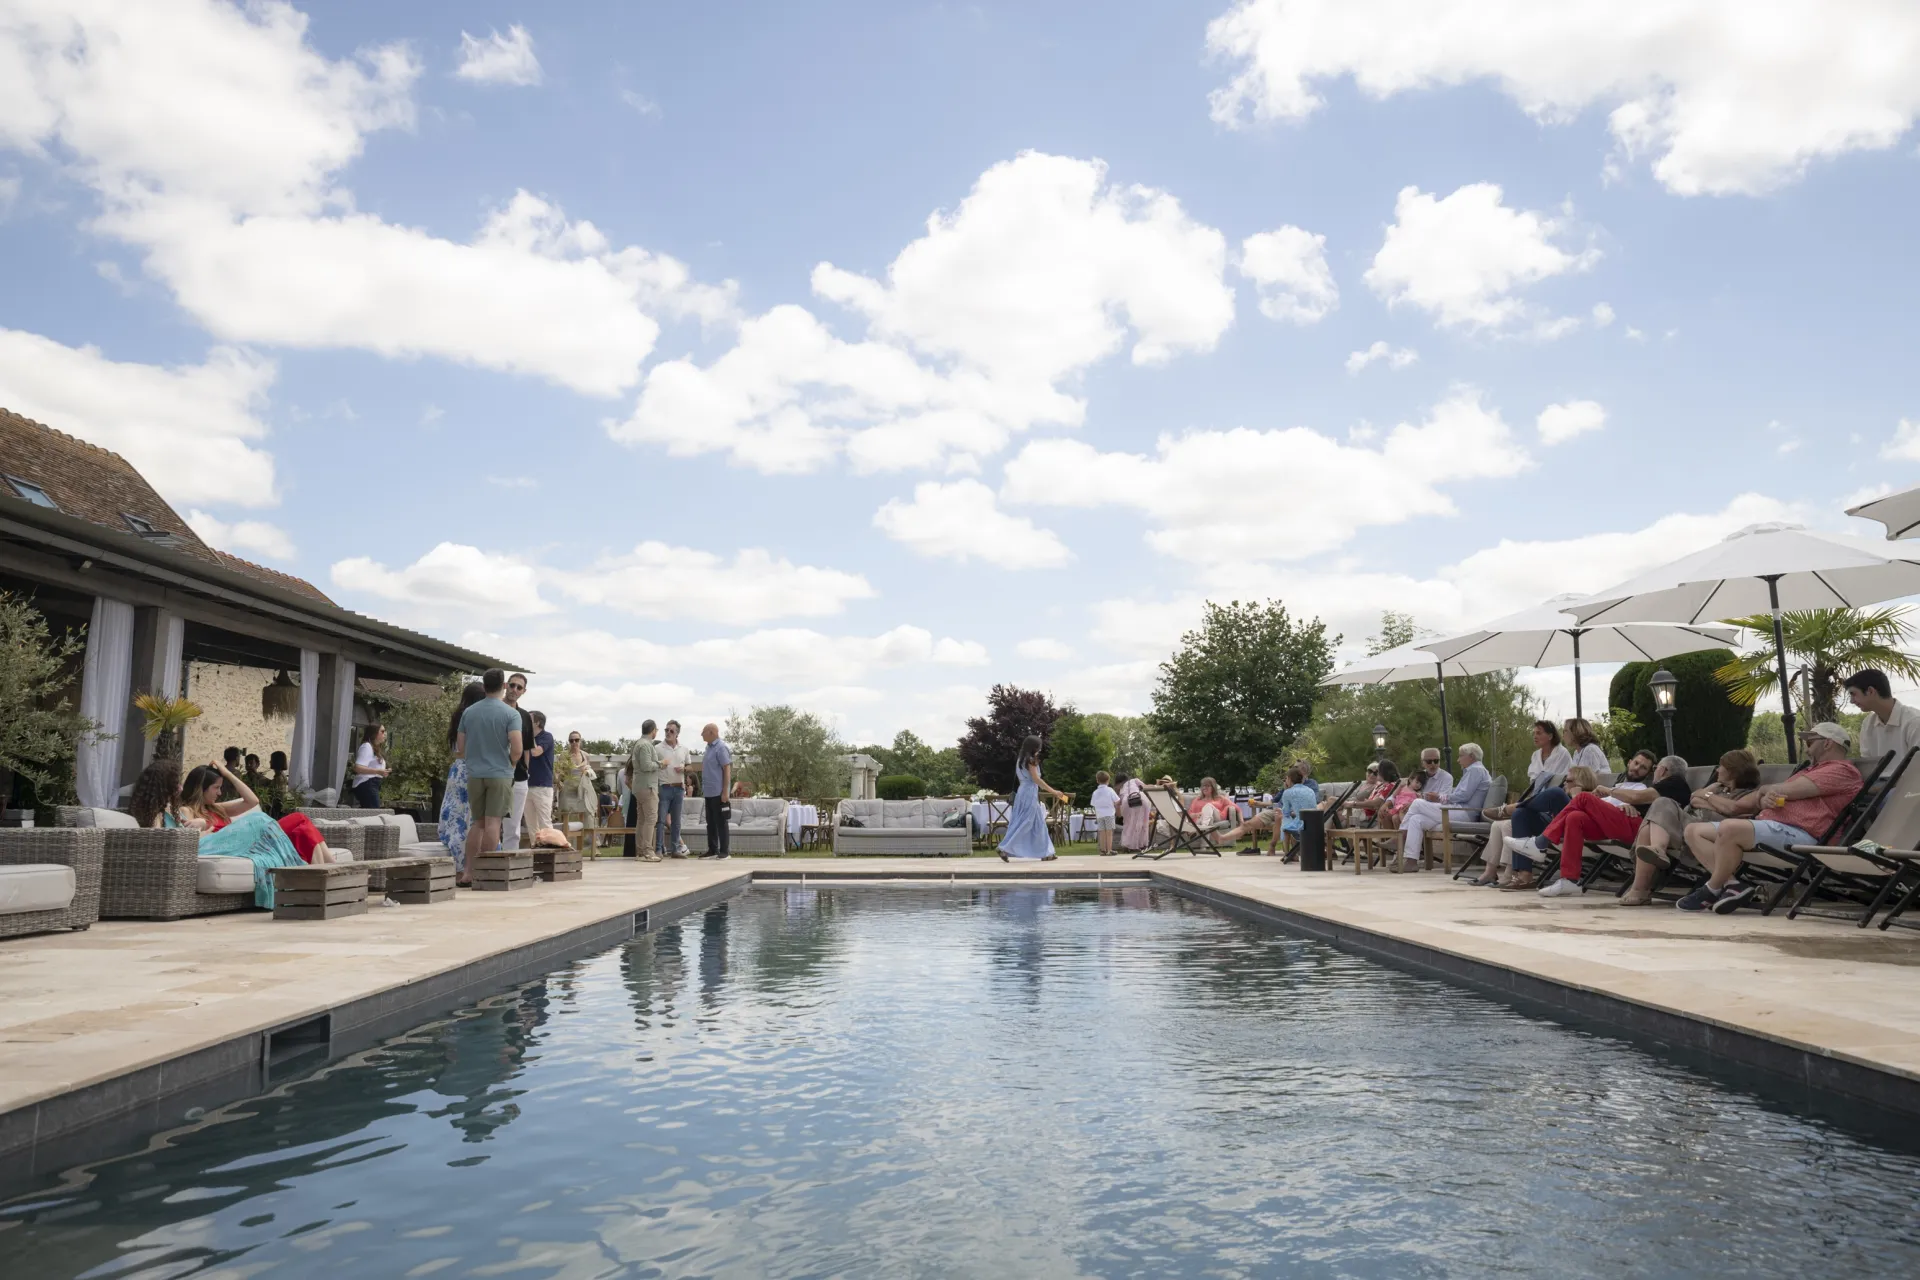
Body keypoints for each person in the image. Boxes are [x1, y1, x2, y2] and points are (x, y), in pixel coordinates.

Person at [1678, 722, 1863, 914]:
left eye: (1809, 742)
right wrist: (1763, 798)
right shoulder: (1809, 771)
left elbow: (1788, 790)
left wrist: (1765, 791)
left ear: (1827, 743)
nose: (1806, 749)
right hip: (1772, 828)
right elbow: (1752, 801)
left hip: (1801, 834)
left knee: (1729, 828)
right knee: (1693, 831)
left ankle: (1712, 888)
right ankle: (1732, 885)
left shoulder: (1842, 771)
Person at [130, 758, 314, 909]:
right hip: (201, 846)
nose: (180, 788)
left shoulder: (176, 810)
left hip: (205, 843)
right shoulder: (161, 815)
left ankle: (300, 875)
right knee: (258, 819)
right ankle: (299, 876)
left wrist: (226, 774)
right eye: (176, 784)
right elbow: (164, 846)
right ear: (164, 787)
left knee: (262, 821)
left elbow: (252, 801)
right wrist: (200, 831)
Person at [1528, 751, 1689, 899]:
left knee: (1584, 798)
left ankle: (1541, 843)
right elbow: (1637, 800)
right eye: (1637, 763)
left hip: (1637, 828)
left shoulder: (1673, 783)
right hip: (1622, 823)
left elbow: (1637, 797)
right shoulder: (1654, 787)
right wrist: (1623, 804)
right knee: (1575, 818)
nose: (1653, 771)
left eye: (1654, 768)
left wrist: (1611, 793)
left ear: (1663, 770)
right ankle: (1569, 880)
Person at [1619, 750, 1760, 906]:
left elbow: (1733, 809)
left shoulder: (1749, 794)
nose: (1718, 770)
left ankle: (1642, 886)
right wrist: (1715, 803)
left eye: (1722, 767)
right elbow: (1694, 799)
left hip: (1710, 834)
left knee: (1661, 805)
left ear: (1733, 771)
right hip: (1690, 828)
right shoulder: (1717, 787)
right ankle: (1651, 863)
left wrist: (1708, 797)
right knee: (1652, 819)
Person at [1468, 721, 1574, 885]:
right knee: (1504, 821)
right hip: (1537, 804)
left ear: (1550, 735)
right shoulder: (1536, 755)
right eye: (1534, 733)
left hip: (1553, 809)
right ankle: (1494, 871)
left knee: (1509, 823)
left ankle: (1509, 873)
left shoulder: (1563, 754)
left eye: (1539, 733)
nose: (1535, 736)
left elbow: (1556, 783)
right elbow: (1535, 783)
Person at [457, 669, 524, 877]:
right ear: (504, 685)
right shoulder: (511, 714)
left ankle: (468, 872)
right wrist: (511, 764)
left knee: (477, 823)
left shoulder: (469, 712)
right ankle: (485, 873)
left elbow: (461, 747)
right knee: (493, 823)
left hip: (475, 774)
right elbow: (517, 749)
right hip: (500, 773)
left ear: (484, 685)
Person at [1397, 743, 1491, 871]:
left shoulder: (1476, 770)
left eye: (1461, 756)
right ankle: (1411, 861)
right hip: (1457, 810)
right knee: (1416, 819)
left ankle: (1400, 837)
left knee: (1417, 803)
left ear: (1471, 757)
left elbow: (1463, 795)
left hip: (1464, 813)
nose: (1458, 760)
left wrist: (1439, 797)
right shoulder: (1474, 770)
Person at [438, 682, 486, 881]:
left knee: (456, 817)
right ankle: (470, 868)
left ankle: (458, 868)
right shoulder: (475, 718)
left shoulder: (457, 716)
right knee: (472, 819)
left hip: (457, 771)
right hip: (473, 770)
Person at [999, 734, 1064, 861]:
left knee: (1037, 823)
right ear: (1034, 747)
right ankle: (1005, 848)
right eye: (1039, 747)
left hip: (1023, 792)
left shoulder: (1020, 760)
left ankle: (1046, 853)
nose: (1040, 749)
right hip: (1029, 792)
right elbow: (1036, 779)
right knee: (1026, 822)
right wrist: (1054, 791)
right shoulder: (1031, 760)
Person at [1846, 668, 1920, 762]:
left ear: (1870, 691)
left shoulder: (1914, 722)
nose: (1851, 701)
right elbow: (1867, 764)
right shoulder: (1868, 724)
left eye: (1853, 694)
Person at [503, 673, 535, 850]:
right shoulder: (494, 710)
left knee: (513, 827)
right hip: (494, 773)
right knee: (489, 823)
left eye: (519, 687)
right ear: (505, 685)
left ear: (524, 691)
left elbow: (527, 748)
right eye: (512, 685)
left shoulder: (524, 716)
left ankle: (509, 861)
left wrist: (526, 771)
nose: (514, 689)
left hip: (519, 776)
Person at [628, 720, 665, 861]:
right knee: (651, 818)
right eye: (656, 730)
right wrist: (661, 764)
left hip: (640, 786)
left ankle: (640, 851)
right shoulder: (645, 745)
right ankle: (648, 851)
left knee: (642, 819)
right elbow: (646, 765)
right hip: (647, 786)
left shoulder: (640, 743)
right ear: (653, 730)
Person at [556, 731, 600, 843]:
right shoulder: (564, 755)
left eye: (576, 740)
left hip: (582, 788)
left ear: (580, 741)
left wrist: (587, 771)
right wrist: (558, 782)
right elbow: (559, 772)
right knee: (567, 814)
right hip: (568, 788)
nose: (574, 742)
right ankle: (568, 843)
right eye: (571, 740)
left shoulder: (585, 755)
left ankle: (590, 843)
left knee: (588, 814)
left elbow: (588, 770)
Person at [656, 720, 689, 859]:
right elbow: (653, 766)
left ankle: (675, 849)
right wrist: (660, 765)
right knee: (661, 820)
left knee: (676, 821)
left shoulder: (684, 749)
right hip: (664, 787)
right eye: (666, 730)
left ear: (677, 734)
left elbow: (690, 766)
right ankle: (658, 849)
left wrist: (684, 768)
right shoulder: (657, 748)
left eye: (671, 731)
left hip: (679, 788)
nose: (668, 733)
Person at [700, 722, 733, 859]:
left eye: (703, 732)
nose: (701, 734)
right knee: (711, 823)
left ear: (712, 733)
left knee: (721, 822)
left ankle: (724, 851)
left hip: (718, 792)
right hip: (708, 792)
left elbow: (727, 769)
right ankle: (712, 849)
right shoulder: (708, 748)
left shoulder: (721, 748)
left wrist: (725, 791)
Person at [523, 711, 555, 839]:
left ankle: (550, 846)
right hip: (527, 785)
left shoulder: (547, 737)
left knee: (544, 822)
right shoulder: (525, 738)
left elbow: (536, 752)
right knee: (531, 825)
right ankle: (535, 848)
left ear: (537, 723)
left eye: (528, 720)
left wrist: (528, 735)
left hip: (542, 786)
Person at [351, 724, 389, 809]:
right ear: (374, 733)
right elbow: (357, 768)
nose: (385, 734)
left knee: (371, 812)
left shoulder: (374, 748)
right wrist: (378, 771)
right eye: (382, 731)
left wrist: (383, 771)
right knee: (374, 812)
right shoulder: (366, 746)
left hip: (371, 784)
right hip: (367, 783)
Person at [1116, 772, 1150, 853]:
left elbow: (1119, 802)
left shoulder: (1120, 788)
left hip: (1127, 801)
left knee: (1128, 824)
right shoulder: (1134, 780)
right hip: (1141, 799)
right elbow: (1146, 787)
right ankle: (1141, 844)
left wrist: (1118, 813)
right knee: (1142, 823)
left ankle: (1127, 845)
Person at [1090, 770, 1119, 855]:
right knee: (1109, 833)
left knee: (1102, 832)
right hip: (1109, 814)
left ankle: (1103, 850)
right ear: (1108, 780)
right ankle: (1109, 850)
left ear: (1097, 780)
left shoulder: (1095, 792)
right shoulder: (1110, 790)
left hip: (1099, 815)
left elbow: (1093, 803)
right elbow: (1117, 800)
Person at [264, 750, 293, 819]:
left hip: (277, 807)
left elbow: (273, 792)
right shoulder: (280, 775)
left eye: (271, 760)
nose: (270, 762)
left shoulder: (279, 777)